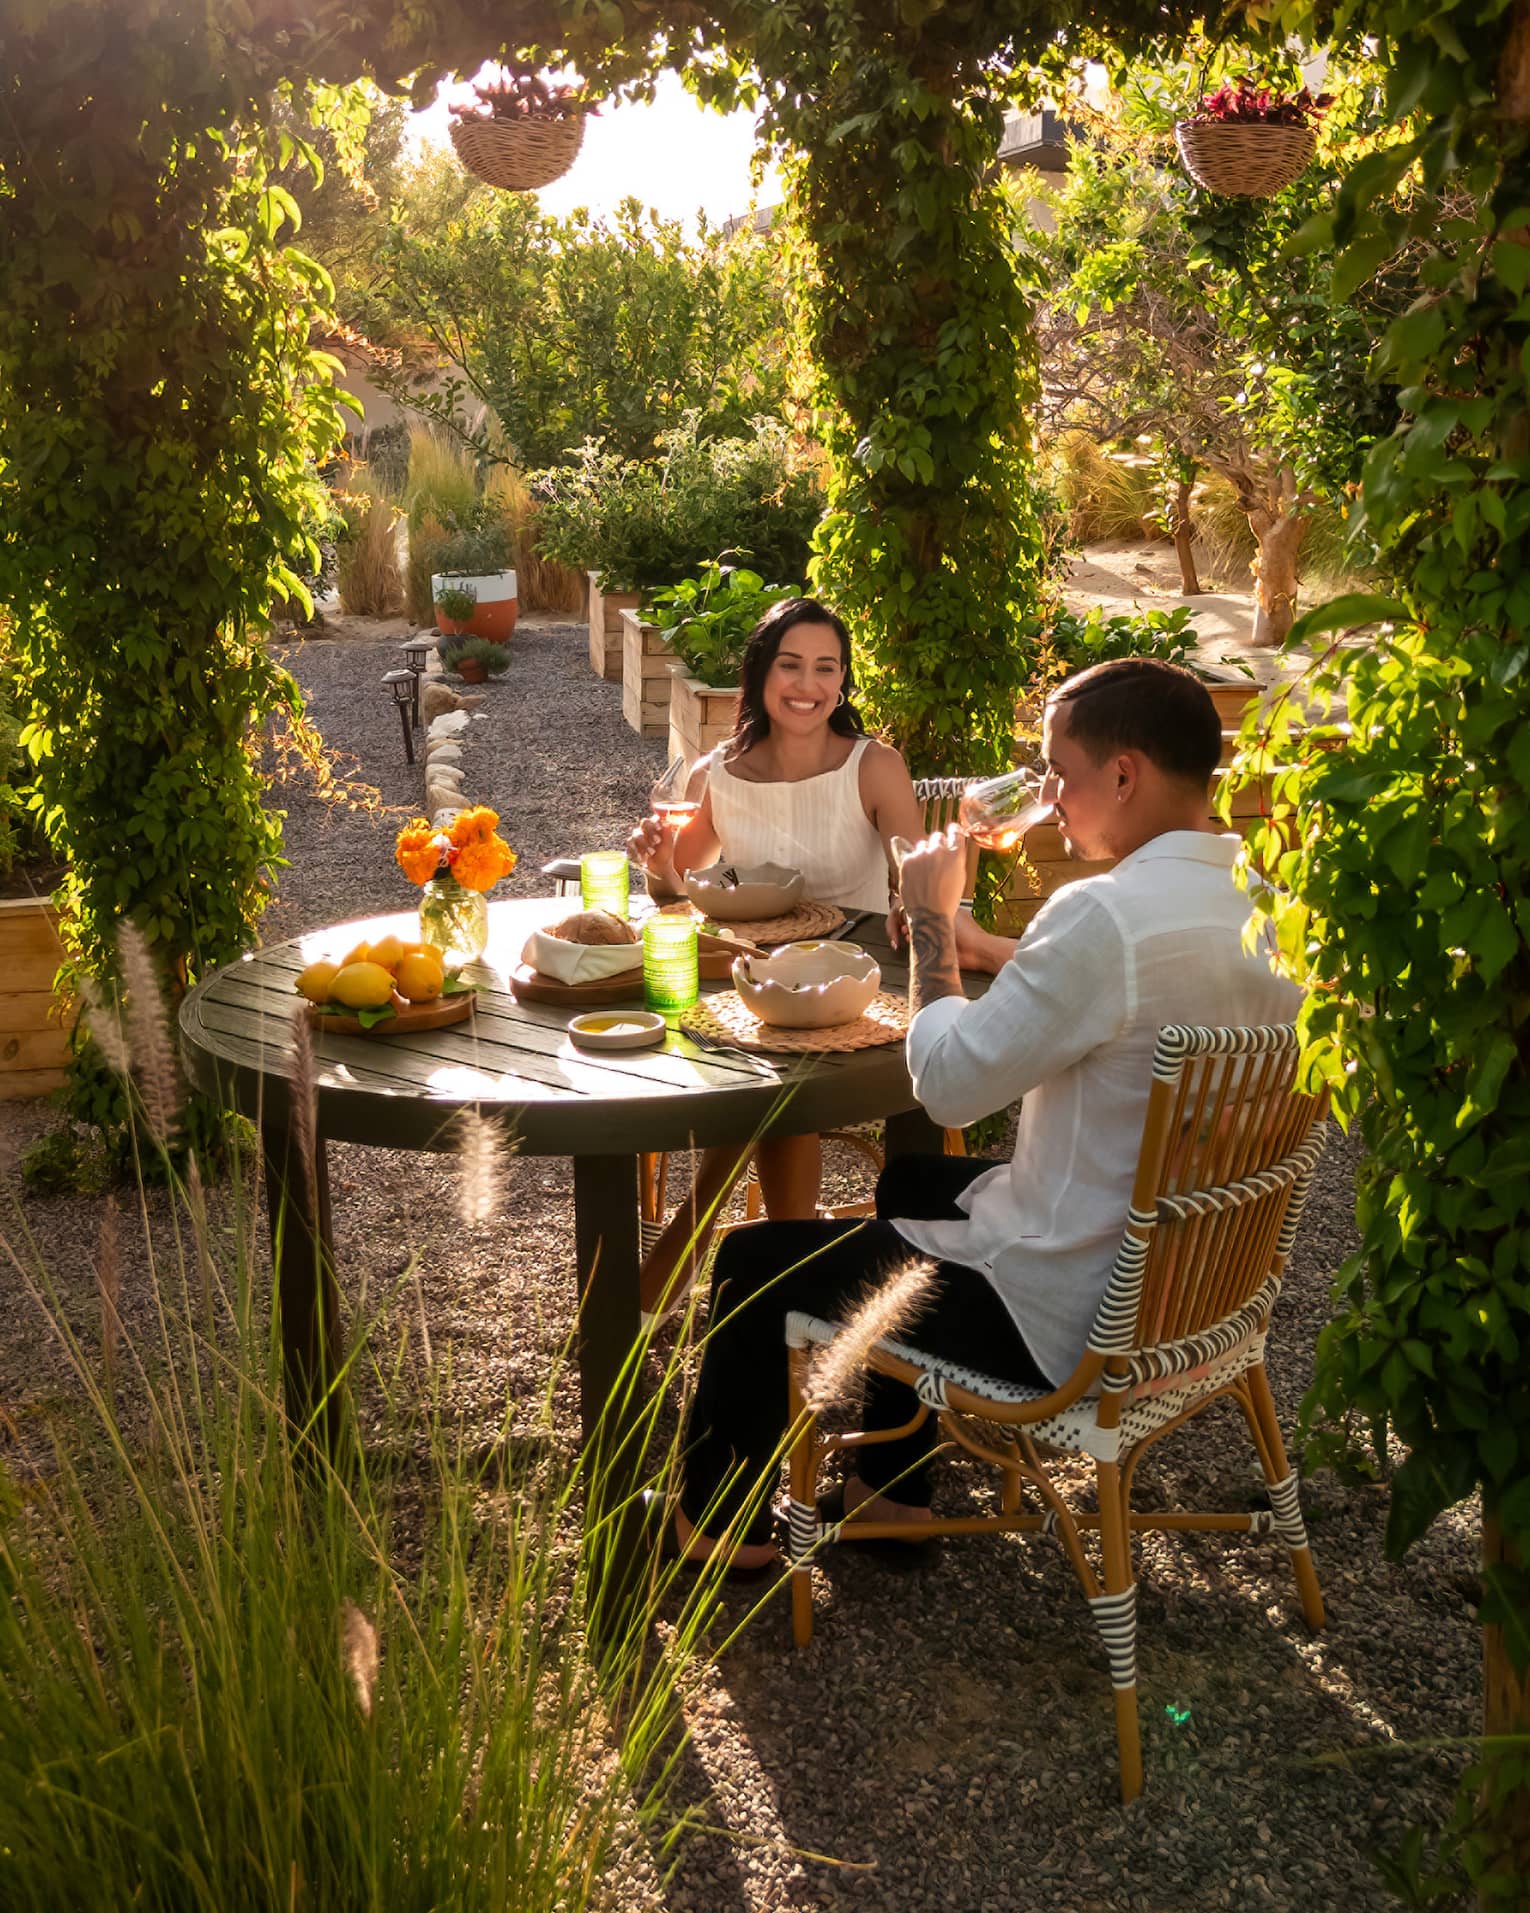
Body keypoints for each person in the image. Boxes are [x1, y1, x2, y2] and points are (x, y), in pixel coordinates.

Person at [662, 655, 1301, 1571]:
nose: (1049, 793)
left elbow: (951, 1085)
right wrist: (994, 947)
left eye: (1060, 772)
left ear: (1124, 775)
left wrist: (929, 923)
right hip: (1195, 1284)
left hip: (1065, 1314)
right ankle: (892, 1491)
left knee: (753, 1259)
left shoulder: (1101, 916)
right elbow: (1125, 993)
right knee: (911, 1178)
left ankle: (723, 1532)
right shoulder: (1268, 898)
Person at [627, 597, 924, 1319]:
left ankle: (680, 1265)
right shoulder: (715, 773)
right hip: (753, 987)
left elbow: (923, 874)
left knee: (771, 1081)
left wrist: (911, 899)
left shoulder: (873, 766)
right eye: (790, 664)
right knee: (764, 1066)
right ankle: (786, 1286)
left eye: (827, 668)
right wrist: (656, 860)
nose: (808, 684)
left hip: (859, 993)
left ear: (844, 681)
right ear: (762, 674)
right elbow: (677, 886)